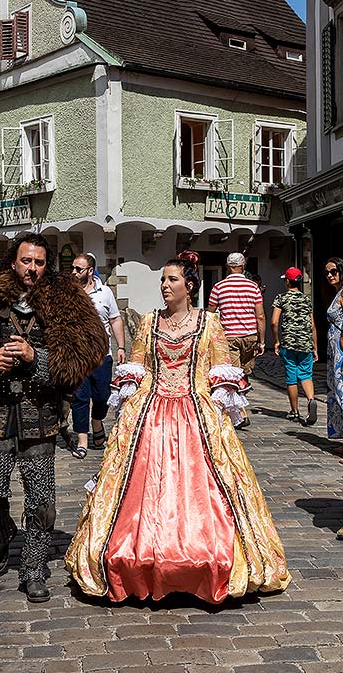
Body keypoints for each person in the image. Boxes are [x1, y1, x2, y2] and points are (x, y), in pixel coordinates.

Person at [66, 251, 291, 605]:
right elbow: (137, 369)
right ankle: (139, 558)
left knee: (206, 491)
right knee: (142, 492)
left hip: (196, 416)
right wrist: (128, 409)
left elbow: (222, 370)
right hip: (151, 416)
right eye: (162, 280)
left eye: (172, 279)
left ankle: (204, 560)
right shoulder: (149, 322)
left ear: (189, 285)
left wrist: (219, 412)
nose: (165, 286)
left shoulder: (209, 323)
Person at [0, 232, 107, 603]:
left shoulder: (64, 301)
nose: (32, 268)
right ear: (13, 261)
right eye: (25, 261)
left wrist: (37, 360)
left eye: (38, 262)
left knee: (41, 502)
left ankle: (34, 568)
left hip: (40, 414)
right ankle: (2, 537)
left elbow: (80, 361)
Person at [70, 253, 126, 458]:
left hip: (102, 356)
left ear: (90, 271)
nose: (74, 272)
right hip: (77, 357)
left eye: (78, 269)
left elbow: (115, 319)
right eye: (73, 268)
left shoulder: (105, 292)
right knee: (80, 397)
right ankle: (82, 440)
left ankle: (97, 421)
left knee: (102, 397)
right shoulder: (69, 293)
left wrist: (121, 347)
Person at [207, 251, 265, 429]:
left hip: (229, 336)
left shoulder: (219, 287)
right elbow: (260, 315)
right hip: (249, 336)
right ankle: (241, 412)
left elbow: (210, 313)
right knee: (244, 373)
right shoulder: (253, 287)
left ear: (227, 267)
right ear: (243, 266)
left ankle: (240, 412)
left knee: (233, 374)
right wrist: (262, 341)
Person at [271, 267, 318, 425]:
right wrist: (315, 347)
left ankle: (295, 411)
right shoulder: (306, 299)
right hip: (305, 343)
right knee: (306, 374)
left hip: (289, 343)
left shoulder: (281, 298)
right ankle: (311, 400)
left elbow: (274, 322)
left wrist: (276, 340)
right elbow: (312, 325)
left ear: (287, 281)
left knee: (292, 377)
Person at [325, 258, 343, 443]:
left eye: (334, 271)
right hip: (334, 350)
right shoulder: (337, 293)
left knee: (342, 390)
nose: (330, 275)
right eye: (327, 272)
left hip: (341, 349)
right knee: (336, 392)